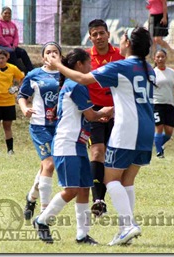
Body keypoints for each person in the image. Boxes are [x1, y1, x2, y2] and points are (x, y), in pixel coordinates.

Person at [46, 26, 155, 246]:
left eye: (123, 38)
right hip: (147, 129)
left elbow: (83, 78)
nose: (121, 41)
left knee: (110, 179)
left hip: (127, 130)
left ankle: (128, 226)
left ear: (129, 44)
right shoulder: (149, 68)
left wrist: (57, 65)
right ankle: (126, 233)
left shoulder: (121, 66)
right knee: (127, 181)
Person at [33, 48, 113, 244]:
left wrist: (102, 113)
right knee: (71, 190)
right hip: (66, 144)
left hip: (78, 144)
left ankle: (82, 235)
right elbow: (91, 116)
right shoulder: (75, 85)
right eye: (88, 64)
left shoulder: (74, 85)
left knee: (85, 188)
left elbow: (88, 116)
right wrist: (109, 110)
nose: (91, 67)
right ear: (79, 65)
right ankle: (42, 221)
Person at [17, 42, 62, 221]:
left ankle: (31, 198)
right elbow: (22, 95)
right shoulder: (34, 74)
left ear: (60, 56)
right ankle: (44, 213)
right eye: (48, 52)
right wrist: (24, 108)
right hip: (39, 126)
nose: (51, 54)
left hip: (60, 127)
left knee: (46, 166)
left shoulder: (66, 74)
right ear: (43, 57)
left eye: (55, 52)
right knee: (49, 164)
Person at [85, 19, 124, 217]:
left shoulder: (120, 56)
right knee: (98, 152)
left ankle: (109, 197)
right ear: (90, 37)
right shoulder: (85, 59)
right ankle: (98, 201)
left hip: (119, 111)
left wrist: (114, 109)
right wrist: (93, 111)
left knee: (112, 158)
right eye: (95, 34)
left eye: (102, 33)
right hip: (93, 111)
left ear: (108, 34)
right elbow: (79, 85)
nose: (99, 37)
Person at [153, 49, 174, 158]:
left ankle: (155, 143)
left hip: (169, 105)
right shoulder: (152, 73)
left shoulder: (173, 72)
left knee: (169, 132)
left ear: (166, 58)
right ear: (155, 59)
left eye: (162, 56)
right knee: (159, 128)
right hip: (156, 104)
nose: (160, 59)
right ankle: (159, 152)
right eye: (158, 57)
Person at [0, 6, 34, 74]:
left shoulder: (12, 24)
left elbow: (16, 36)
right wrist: (8, 45)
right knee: (11, 52)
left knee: (22, 52)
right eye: (5, 13)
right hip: (0, 45)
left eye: (9, 13)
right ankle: (20, 71)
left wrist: (14, 45)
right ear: (2, 13)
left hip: (11, 45)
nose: (7, 15)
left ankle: (31, 70)